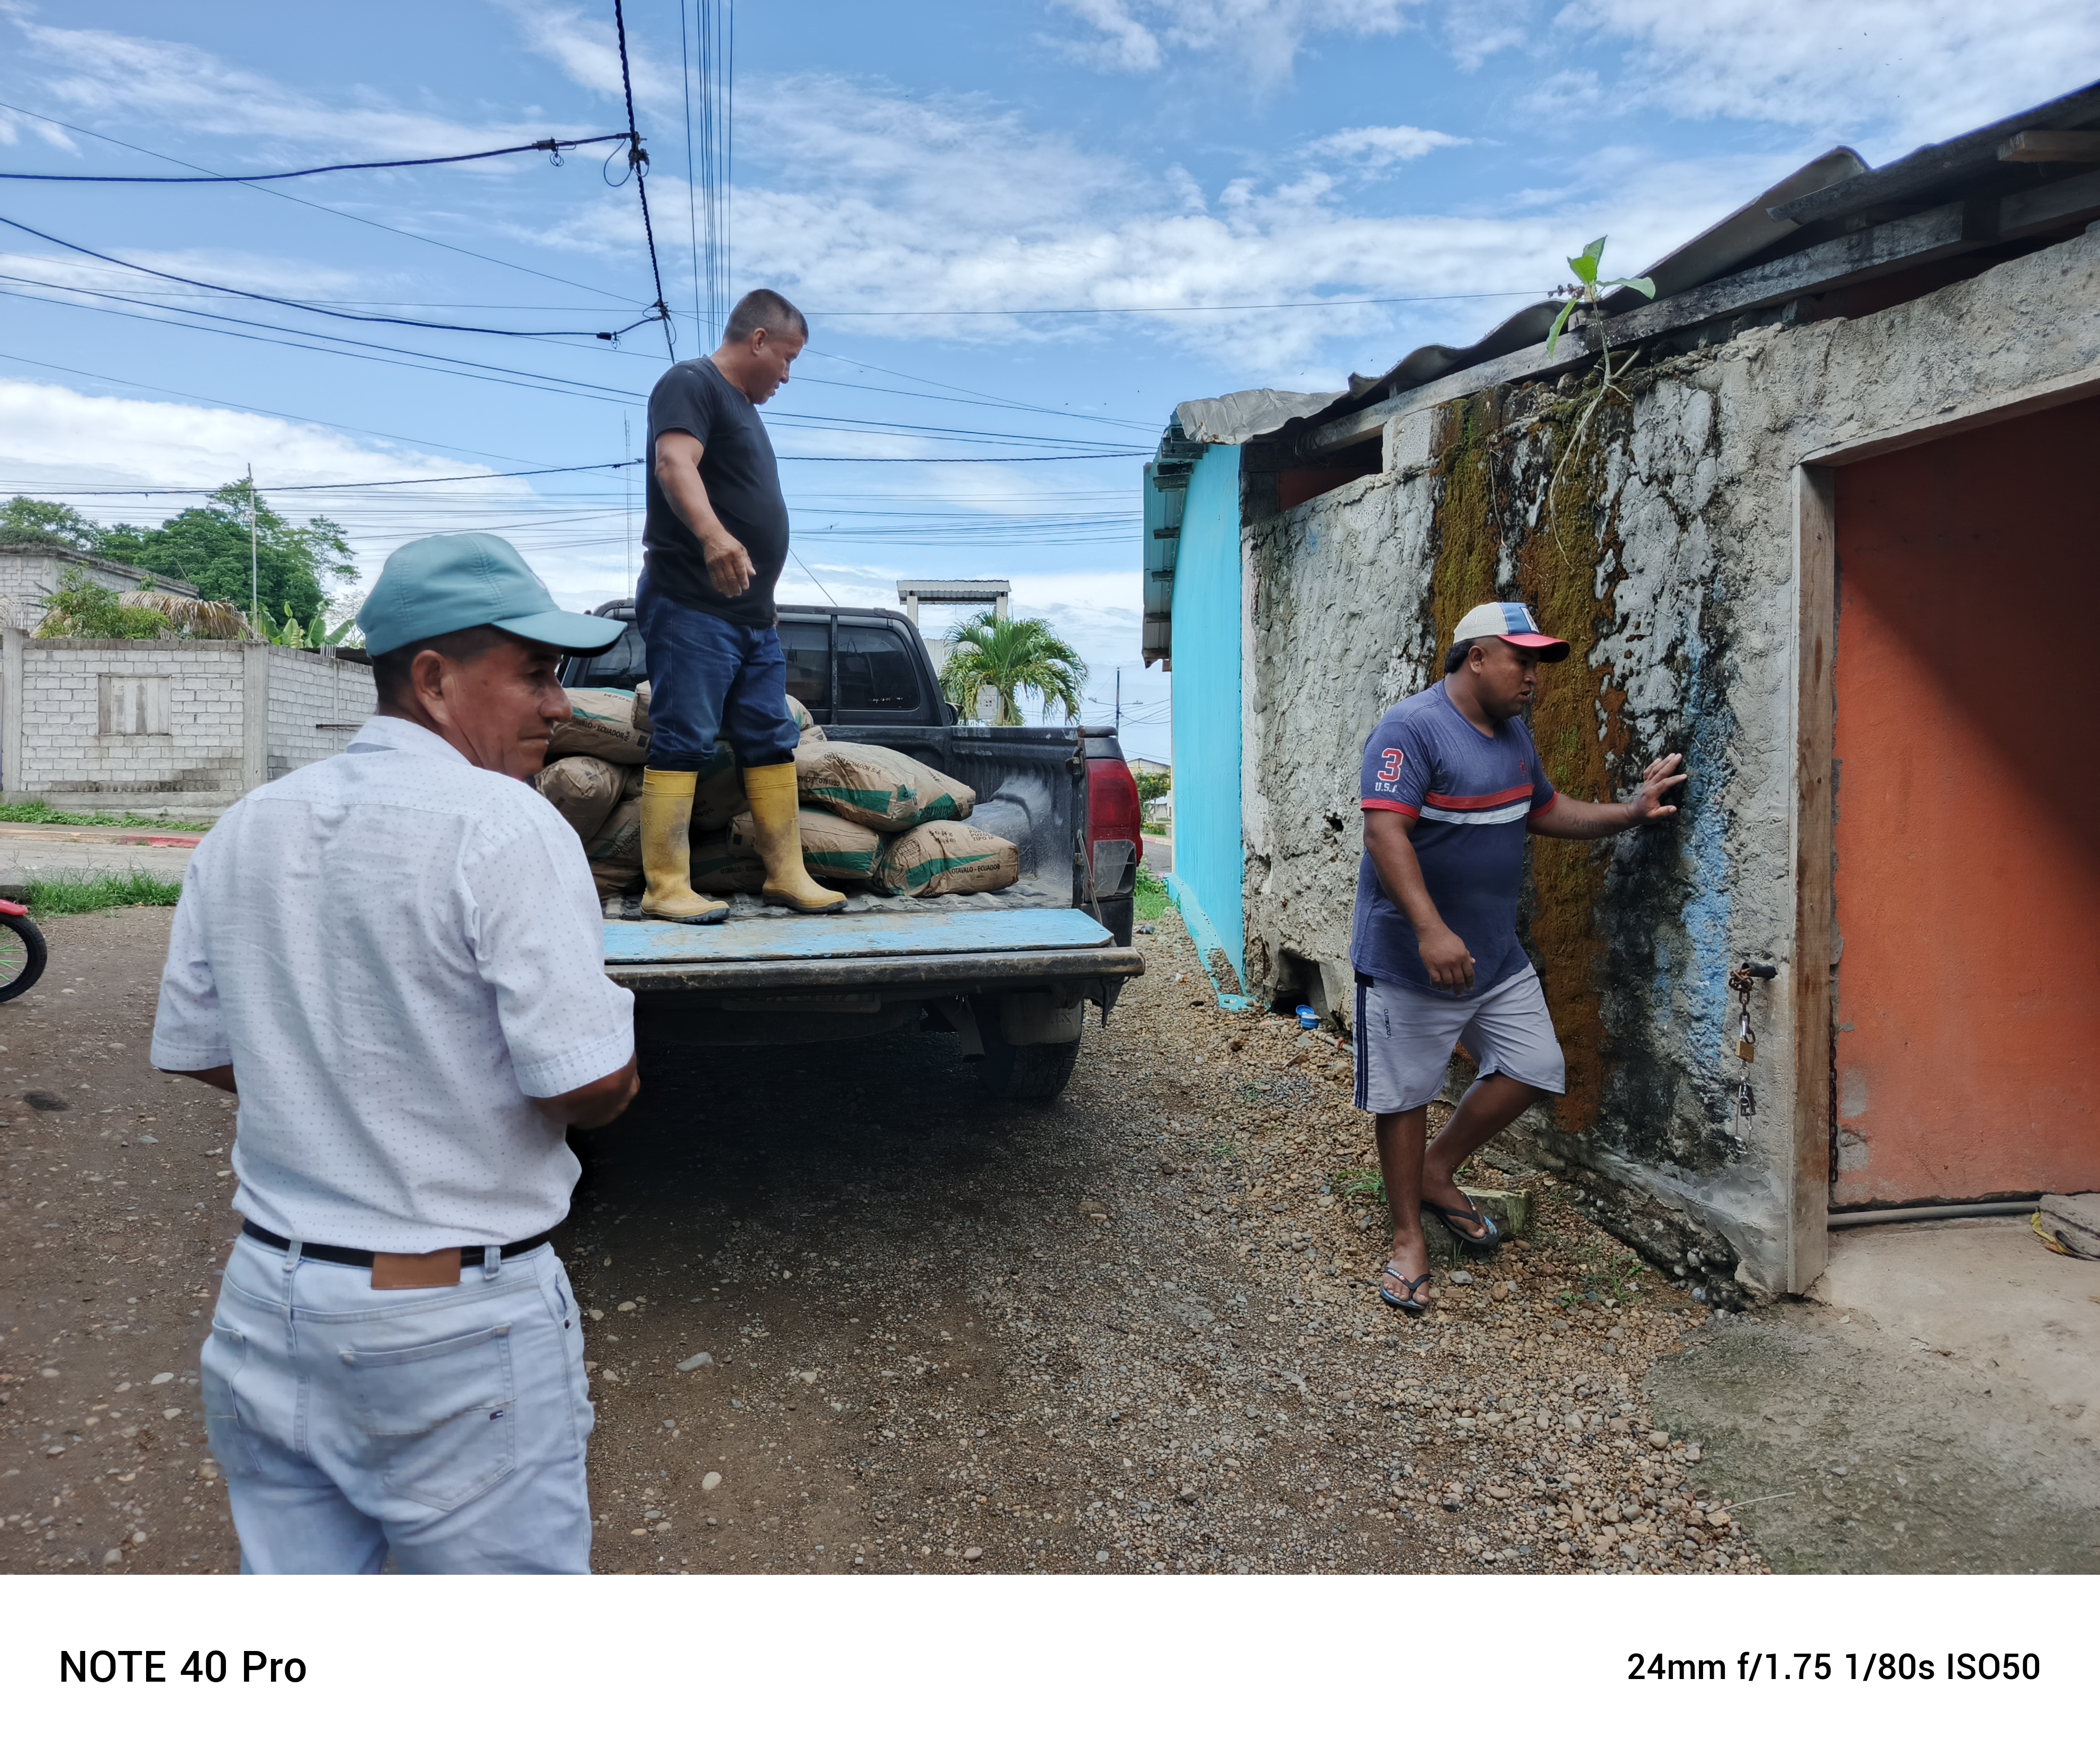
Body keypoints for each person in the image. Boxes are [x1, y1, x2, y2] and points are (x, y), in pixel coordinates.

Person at [151, 533, 640, 1573]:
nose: (560, 706)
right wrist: (610, 1076)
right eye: (536, 673)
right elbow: (587, 1080)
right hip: (449, 1328)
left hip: (267, 1307)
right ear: (433, 679)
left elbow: (199, 1046)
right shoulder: (505, 825)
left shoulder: (247, 826)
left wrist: (337, 1089)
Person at [1353, 601, 1685, 1314]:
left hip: (1495, 957)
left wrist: (1630, 812)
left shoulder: (1512, 735)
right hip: (1411, 958)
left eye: (1537, 663)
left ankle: (1437, 1169)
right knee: (1405, 1094)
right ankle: (1407, 1236)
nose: (1533, 676)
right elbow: (1384, 833)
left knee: (1534, 1067)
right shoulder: (1411, 728)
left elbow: (1543, 808)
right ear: (1476, 657)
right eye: (1521, 660)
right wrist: (1431, 929)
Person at [635, 286, 843, 921]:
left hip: (751, 617)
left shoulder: (745, 410)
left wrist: (763, 594)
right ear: (757, 340)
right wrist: (713, 536)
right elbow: (674, 462)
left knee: (770, 737)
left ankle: (786, 874)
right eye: (787, 358)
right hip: (691, 604)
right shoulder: (690, 383)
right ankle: (665, 885)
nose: (787, 375)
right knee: (684, 735)